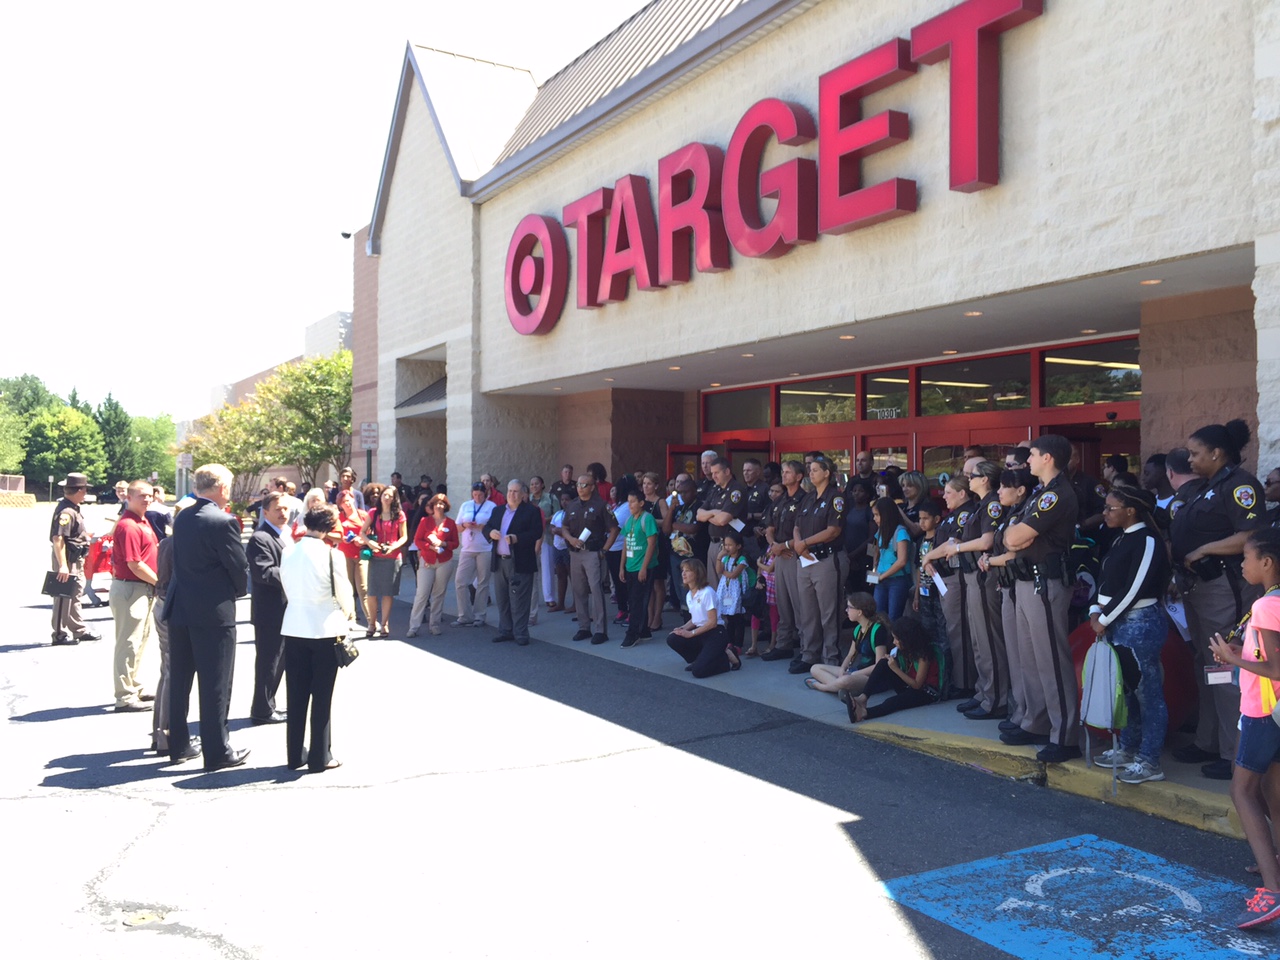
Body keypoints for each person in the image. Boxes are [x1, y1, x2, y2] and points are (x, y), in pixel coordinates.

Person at [1169, 419, 1269, 780]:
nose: (1189, 459)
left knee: (1226, 666)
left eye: (1195, 453)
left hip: (1224, 589)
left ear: (1216, 453)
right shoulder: (1205, 487)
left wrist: (1205, 549)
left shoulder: (1241, 485)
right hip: (1198, 588)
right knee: (1206, 663)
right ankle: (1208, 739)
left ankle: (1233, 752)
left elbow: (1253, 534)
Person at [1207, 528, 1280, 929]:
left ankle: (1272, 891)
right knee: (1272, 792)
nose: (1242, 565)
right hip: (1275, 711)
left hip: (1262, 711)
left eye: (1246, 558)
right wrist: (1243, 651)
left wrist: (1230, 658)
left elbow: (1275, 668)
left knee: (1242, 790)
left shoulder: (1267, 605)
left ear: (1266, 562)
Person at [164, 463, 251, 770]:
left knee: (180, 681)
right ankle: (217, 751)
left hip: (181, 607)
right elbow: (237, 566)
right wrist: (238, 591)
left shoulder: (183, 516)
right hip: (213, 611)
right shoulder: (223, 521)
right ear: (222, 488)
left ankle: (179, 745)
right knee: (216, 682)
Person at [1003, 434, 1082, 764]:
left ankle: (1065, 735)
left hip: (1045, 583)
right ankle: (1036, 722)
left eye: (1033, 455)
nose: (1028, 460)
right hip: (1028, 580)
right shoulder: (1040, 493)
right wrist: (1014, 537)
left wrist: (1015, 536)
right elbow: (1010, 538)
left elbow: (1016, 536)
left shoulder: (1056, 494)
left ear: (1048, 458)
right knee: (1031, 657)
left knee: (1051, 659)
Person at [1088, 484, 1173, 785]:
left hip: (1140, 623)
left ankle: (1149, 760)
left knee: (1147, 693)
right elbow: (1106, 581)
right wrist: (1094, 610)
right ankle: (1128, 747)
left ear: (1131, 510)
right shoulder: (1121, 538)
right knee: (1126, 690)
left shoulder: (1147, 540)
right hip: (1116, 622)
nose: (1105, 513)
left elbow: (1135, 587)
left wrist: (1104, 617)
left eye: (1111, 508)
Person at [279, 505, 354, 773]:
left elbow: (286, 585)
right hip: (324, 628)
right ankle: (320, 756)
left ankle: (294, 755)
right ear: (329, 526)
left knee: (296, 694)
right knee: (322, 696)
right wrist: (348, 614)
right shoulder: (333, 554)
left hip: (294, 625)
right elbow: (344, 593)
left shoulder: (289, 550)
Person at [942, 459, 1009, 722]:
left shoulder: (992, 504)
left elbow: (987, 540)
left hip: (984, 575)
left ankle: (996, 699)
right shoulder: (980, 505)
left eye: (973, 476)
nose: (968, 479)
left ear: (985, 479)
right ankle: (984, 691)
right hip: (972, 573)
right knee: (979, 640)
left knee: (989, 639)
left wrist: (958, 547)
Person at [981, 468, 1034, 737]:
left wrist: (991, 560)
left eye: (1004, 487)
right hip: (1008, 586)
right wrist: (989, 557)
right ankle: (1021, 711)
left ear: (1021, 490)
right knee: (1015, 655)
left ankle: (1029, 715)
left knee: (1025, 657)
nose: (999, 491)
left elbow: (1014, 553)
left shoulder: (1026, 512)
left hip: (1018, 584)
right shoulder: (1011, 513)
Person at [921, 476, 977, 700]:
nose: (943, 496)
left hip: (956, 576)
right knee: (952, 630)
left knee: (958, 631)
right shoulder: (953, 515)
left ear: (962, 493)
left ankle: (965, 683)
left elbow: (952, 543)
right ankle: (959, 680)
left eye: (948, 492)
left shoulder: (965, 513)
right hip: (943, 577)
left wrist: (928, 557)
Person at [790, 456, 846, 673]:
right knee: (808, 611)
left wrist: (805, 543)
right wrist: (798, 543)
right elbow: (797, 525)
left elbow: (833, 531)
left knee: (829, 611)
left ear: (826, 473)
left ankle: (830, 657)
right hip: (805, 559)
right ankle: (809, 654)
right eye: (810, 470)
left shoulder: (836, 498)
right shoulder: (808, 497)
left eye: (815, 470)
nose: (811, 473)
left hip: (826, 559)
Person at [110, 480, 159, 711]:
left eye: (150, 495)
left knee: (139, 640)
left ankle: (133, 686)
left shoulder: (142, 520)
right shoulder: (129, 525)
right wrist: (160, 583)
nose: (147, 499)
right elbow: (134, 564)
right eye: (141, 495)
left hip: (141, 588)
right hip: (131, 588)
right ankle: (124, 696)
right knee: (128, 643)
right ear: (128, 497)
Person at [846, 616, 941, 722]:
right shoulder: (906, 649)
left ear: (907, 640)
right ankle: (863, 698)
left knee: (892, 702)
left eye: (896, 639)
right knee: (883, 663)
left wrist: (895, 669)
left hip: (925, 693)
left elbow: (917, 685)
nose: (894, 642)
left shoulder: (924, 655)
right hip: (909, 686)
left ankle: (864, 713)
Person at [484, 480, 544, 646]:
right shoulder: (498, 510)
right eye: (510, 491)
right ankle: (506, 630)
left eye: (516, 491)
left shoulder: (531, 511)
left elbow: (537, 532)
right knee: (502, 599)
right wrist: (491, 533)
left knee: (520, 600)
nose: (512, 494)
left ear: (523, 494)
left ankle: (521, 633)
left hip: (520, 561)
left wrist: (518, 538)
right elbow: (486, 527)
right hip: (499, 561)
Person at [561, 473, 619, 644]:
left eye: (584, 485)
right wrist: (570, 539)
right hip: (575, 552)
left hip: (593, 552)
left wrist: (604, 550)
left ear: (592, 487)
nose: (580, 488)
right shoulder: (572, 505)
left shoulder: (601, 505)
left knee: (596, 590)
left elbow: (614, 529)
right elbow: (564, 527)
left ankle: (600, 630)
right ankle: (584, 627)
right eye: (578, 484)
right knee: (578, 590)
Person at [247, 491, 289, 724]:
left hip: (285, 610)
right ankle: (262, 710)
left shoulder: (285, 534)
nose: (283, 513)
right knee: (268, 662)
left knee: (279, 661)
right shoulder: (260, 538)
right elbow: (264, 572)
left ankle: (268, 704)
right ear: (265, 512)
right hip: (270, 611)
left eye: (285, 508)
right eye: (278, 509)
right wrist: (296, 573)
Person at [150, 497, 187, 757]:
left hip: (162, 603)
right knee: (173, 671)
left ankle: (159, 732)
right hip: (170, 607)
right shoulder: (178, 545)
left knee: (167, 671)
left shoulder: (166, 542)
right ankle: (165, 733)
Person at [762, 461, 807, 663]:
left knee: (799, 604)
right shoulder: (780, 500)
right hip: (779, 555)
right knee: (782, 603)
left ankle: (806, 649)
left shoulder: (805, 500)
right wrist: (774, 545)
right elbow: (769, 527)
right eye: (783, 471)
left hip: (794, 556)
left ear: (799, 476)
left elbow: (803, 531)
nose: (784, 475)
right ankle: (783, 644)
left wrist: (784, 546)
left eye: (788, 472)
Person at [49, 472, 101, 645]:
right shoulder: (67, 512)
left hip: (74, 558)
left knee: (75, 594)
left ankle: (78, 629)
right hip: (67, 559)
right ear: (79, 490)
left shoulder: (72, 508)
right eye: (85, 490)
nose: (85, 493)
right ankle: (59, 634)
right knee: (63, 595)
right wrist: (63, 565)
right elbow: (58, 539)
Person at [806, 593, 890, 694]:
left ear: (859, 612)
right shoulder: (858, 629)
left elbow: (879, 665)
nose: (846, 610)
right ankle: (839, 687)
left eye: (849, 607)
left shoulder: (878, 630)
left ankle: (822, 686)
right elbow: (850, 655)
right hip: (857, 671)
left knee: (845, 680)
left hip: (873, 676)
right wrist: (842, 669)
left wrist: (854, 674)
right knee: (815, 668)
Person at [667, 559, 739, 677]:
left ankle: (725, 659)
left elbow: (712, 622)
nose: (683, 574)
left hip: (715, 633)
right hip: (700, 632)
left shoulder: (707, 593)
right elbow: (695, 619)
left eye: (687, 571)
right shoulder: (689, 595)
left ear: (697, 573)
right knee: (672, 638)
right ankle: (699, 659)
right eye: (683, 570)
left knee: (698, 672)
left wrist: (691, 633)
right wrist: (681, 629)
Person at [407, 494, 458, 637]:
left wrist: (443, 544)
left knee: (438, 594)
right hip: (427, 560)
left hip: (444, 561)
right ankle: (414, 627)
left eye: (442, 504)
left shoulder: (451, 523)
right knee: (422, 593)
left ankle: (434, 624)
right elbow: (418, 540)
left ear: (446, 506)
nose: (439, 506)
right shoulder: (425, 521)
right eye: (436, 503)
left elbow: (455, 543)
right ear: (432, 506)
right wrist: (430, 547)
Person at [361, 485, 408, 638]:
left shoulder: (399, 514)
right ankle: (371, 623)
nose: (386, 498)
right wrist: (370, 543)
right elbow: (362, 532)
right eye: (384, 495)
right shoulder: (374, 512)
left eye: (390, 496)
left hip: (392, 557)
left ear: (394, 498)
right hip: (376, 556)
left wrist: (393, 546)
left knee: (388, 593)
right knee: (372, 592)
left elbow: (404, 537)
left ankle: (384, 623)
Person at [619, 486, 660, 647]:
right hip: (630, 566)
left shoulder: (647, 519)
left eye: (633, 502)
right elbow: (625, 544)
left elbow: (651, 544)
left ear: (641, 503)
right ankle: (643, 631)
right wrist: (622, 566)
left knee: (638, 601)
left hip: (642, 567)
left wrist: (644, 568)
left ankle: (633, 633)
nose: (629, 505)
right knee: (633, 599)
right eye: (628, 502)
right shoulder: (629, 520)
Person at [696, 457, 747, 590]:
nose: (713, 476)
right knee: (713, 586)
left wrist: (708, 516)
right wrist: (714, 512)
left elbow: (723, 520)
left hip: (728, 545)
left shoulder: (736, 490)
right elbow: (699, 514)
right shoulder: (715, 489)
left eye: (716, 473)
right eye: (712, 473)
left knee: (727, 587)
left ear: (727, 471)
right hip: (713, 543)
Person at [454, 482, 498, 628]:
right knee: (460, 581)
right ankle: (464, 615)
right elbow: (457, 527)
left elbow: (495, 527)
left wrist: (482, 527)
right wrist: (465, 525)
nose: (477, 497)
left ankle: (480, 615)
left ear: (485, 494)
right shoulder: (466, 505)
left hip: (485, 548)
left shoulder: (491, 506)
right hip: (467, 549)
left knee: (482, 583)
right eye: (475, 495)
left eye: (480, 495)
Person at [662, 475, 701, 612]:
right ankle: (684, 615)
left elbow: (693, 528)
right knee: (679, 590)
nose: (683, 495)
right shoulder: (679, 508)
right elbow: (666, 529)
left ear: (694, 491)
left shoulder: (699, 506)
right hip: (675, 554)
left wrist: (675, 525)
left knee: (691, 589)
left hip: (692, 556)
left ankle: (692, 617)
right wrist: (671, 509)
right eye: (680, 493)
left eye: (686, 492)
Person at [869, 496, 911, 621]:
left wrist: (881, 576)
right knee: (878, 616)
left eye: (877, 515)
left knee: (894, 617)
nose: (874, 518)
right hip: (881, 579)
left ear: (886, 514)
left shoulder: (901, 532)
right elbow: (876, 552)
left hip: (897, 580)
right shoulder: (881, 531)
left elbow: (902, 561)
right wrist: (874, 571)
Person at [714, 529, 751, 657]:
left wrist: (724, 572)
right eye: (725, 545)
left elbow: (733, 575)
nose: (727, 547)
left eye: (730, 545)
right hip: (727, 592)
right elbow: (718, 570)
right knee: (729, 617)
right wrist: (719, 557)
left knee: (738, 618)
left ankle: (738, 644)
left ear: (738, 546)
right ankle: (730, 642)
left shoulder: (742, 560)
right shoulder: (725, 558)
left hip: (736, 592)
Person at [641, 471, 669, 633]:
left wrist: (649, 521)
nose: (646, 487)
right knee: (648, 583)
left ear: (656, 486)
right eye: (644, 483)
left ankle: (658, 617)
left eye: (649, 483)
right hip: (643, 545)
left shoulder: (660, 502)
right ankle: (649, 616)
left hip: (658, 545)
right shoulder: (641, 502)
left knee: (658, 582)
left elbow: (667, 522)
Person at [531, 475, 557, 611]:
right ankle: (531, 597)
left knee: (547, 567)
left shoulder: (551, 498)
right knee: (531, 568)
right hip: (531, 537)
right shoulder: (528, 499)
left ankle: (549, 598)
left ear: (542, 485)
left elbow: (558, 514)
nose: (534, 486)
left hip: (547, 535)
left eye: (536, 483)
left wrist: (545, 520)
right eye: (532, 484)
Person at [549, 490, 575, 613]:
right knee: (560, 575)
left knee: (572, 576)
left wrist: (560, 531)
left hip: (568, 548)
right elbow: (551, 526)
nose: (564, 502)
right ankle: (561, 603)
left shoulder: (573, 514)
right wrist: (555, 530)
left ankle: (576, 604)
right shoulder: (558, 513)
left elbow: (572, 530)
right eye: (562, 500)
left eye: (567, 499)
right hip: (557, 547)